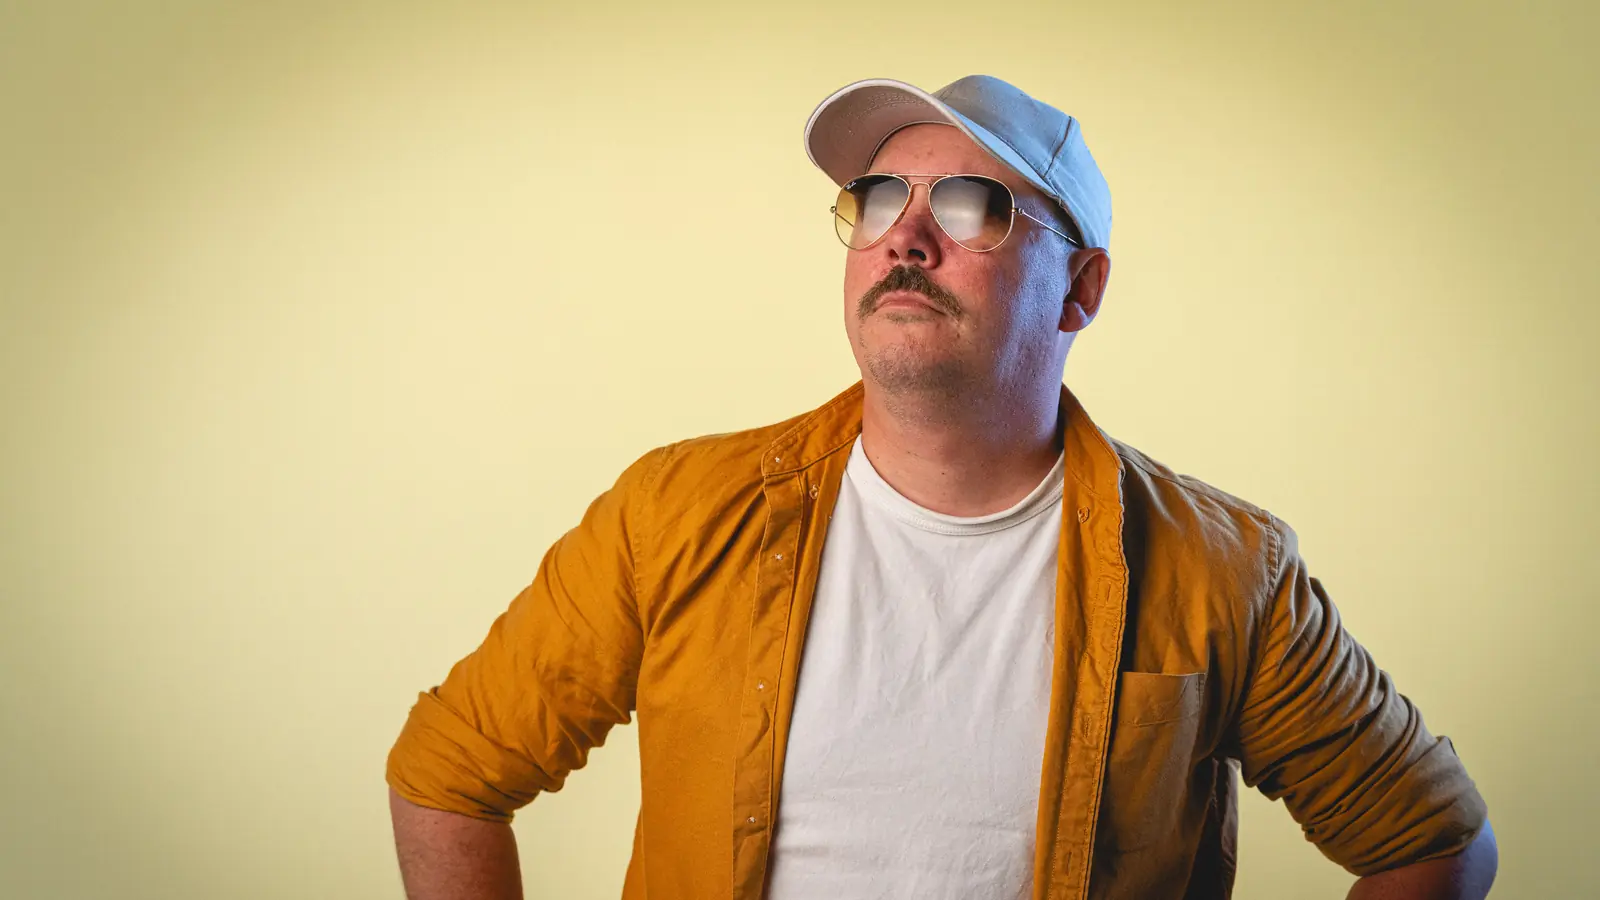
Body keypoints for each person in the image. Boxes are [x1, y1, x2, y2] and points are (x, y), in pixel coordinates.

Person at [385, 75, 1496, 900]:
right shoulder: (677, 510)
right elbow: (445, 775)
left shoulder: (1220, 568)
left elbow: (1431, 845)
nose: (904, 235)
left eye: (969, 206)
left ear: (1079, 288)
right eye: (877, 199)